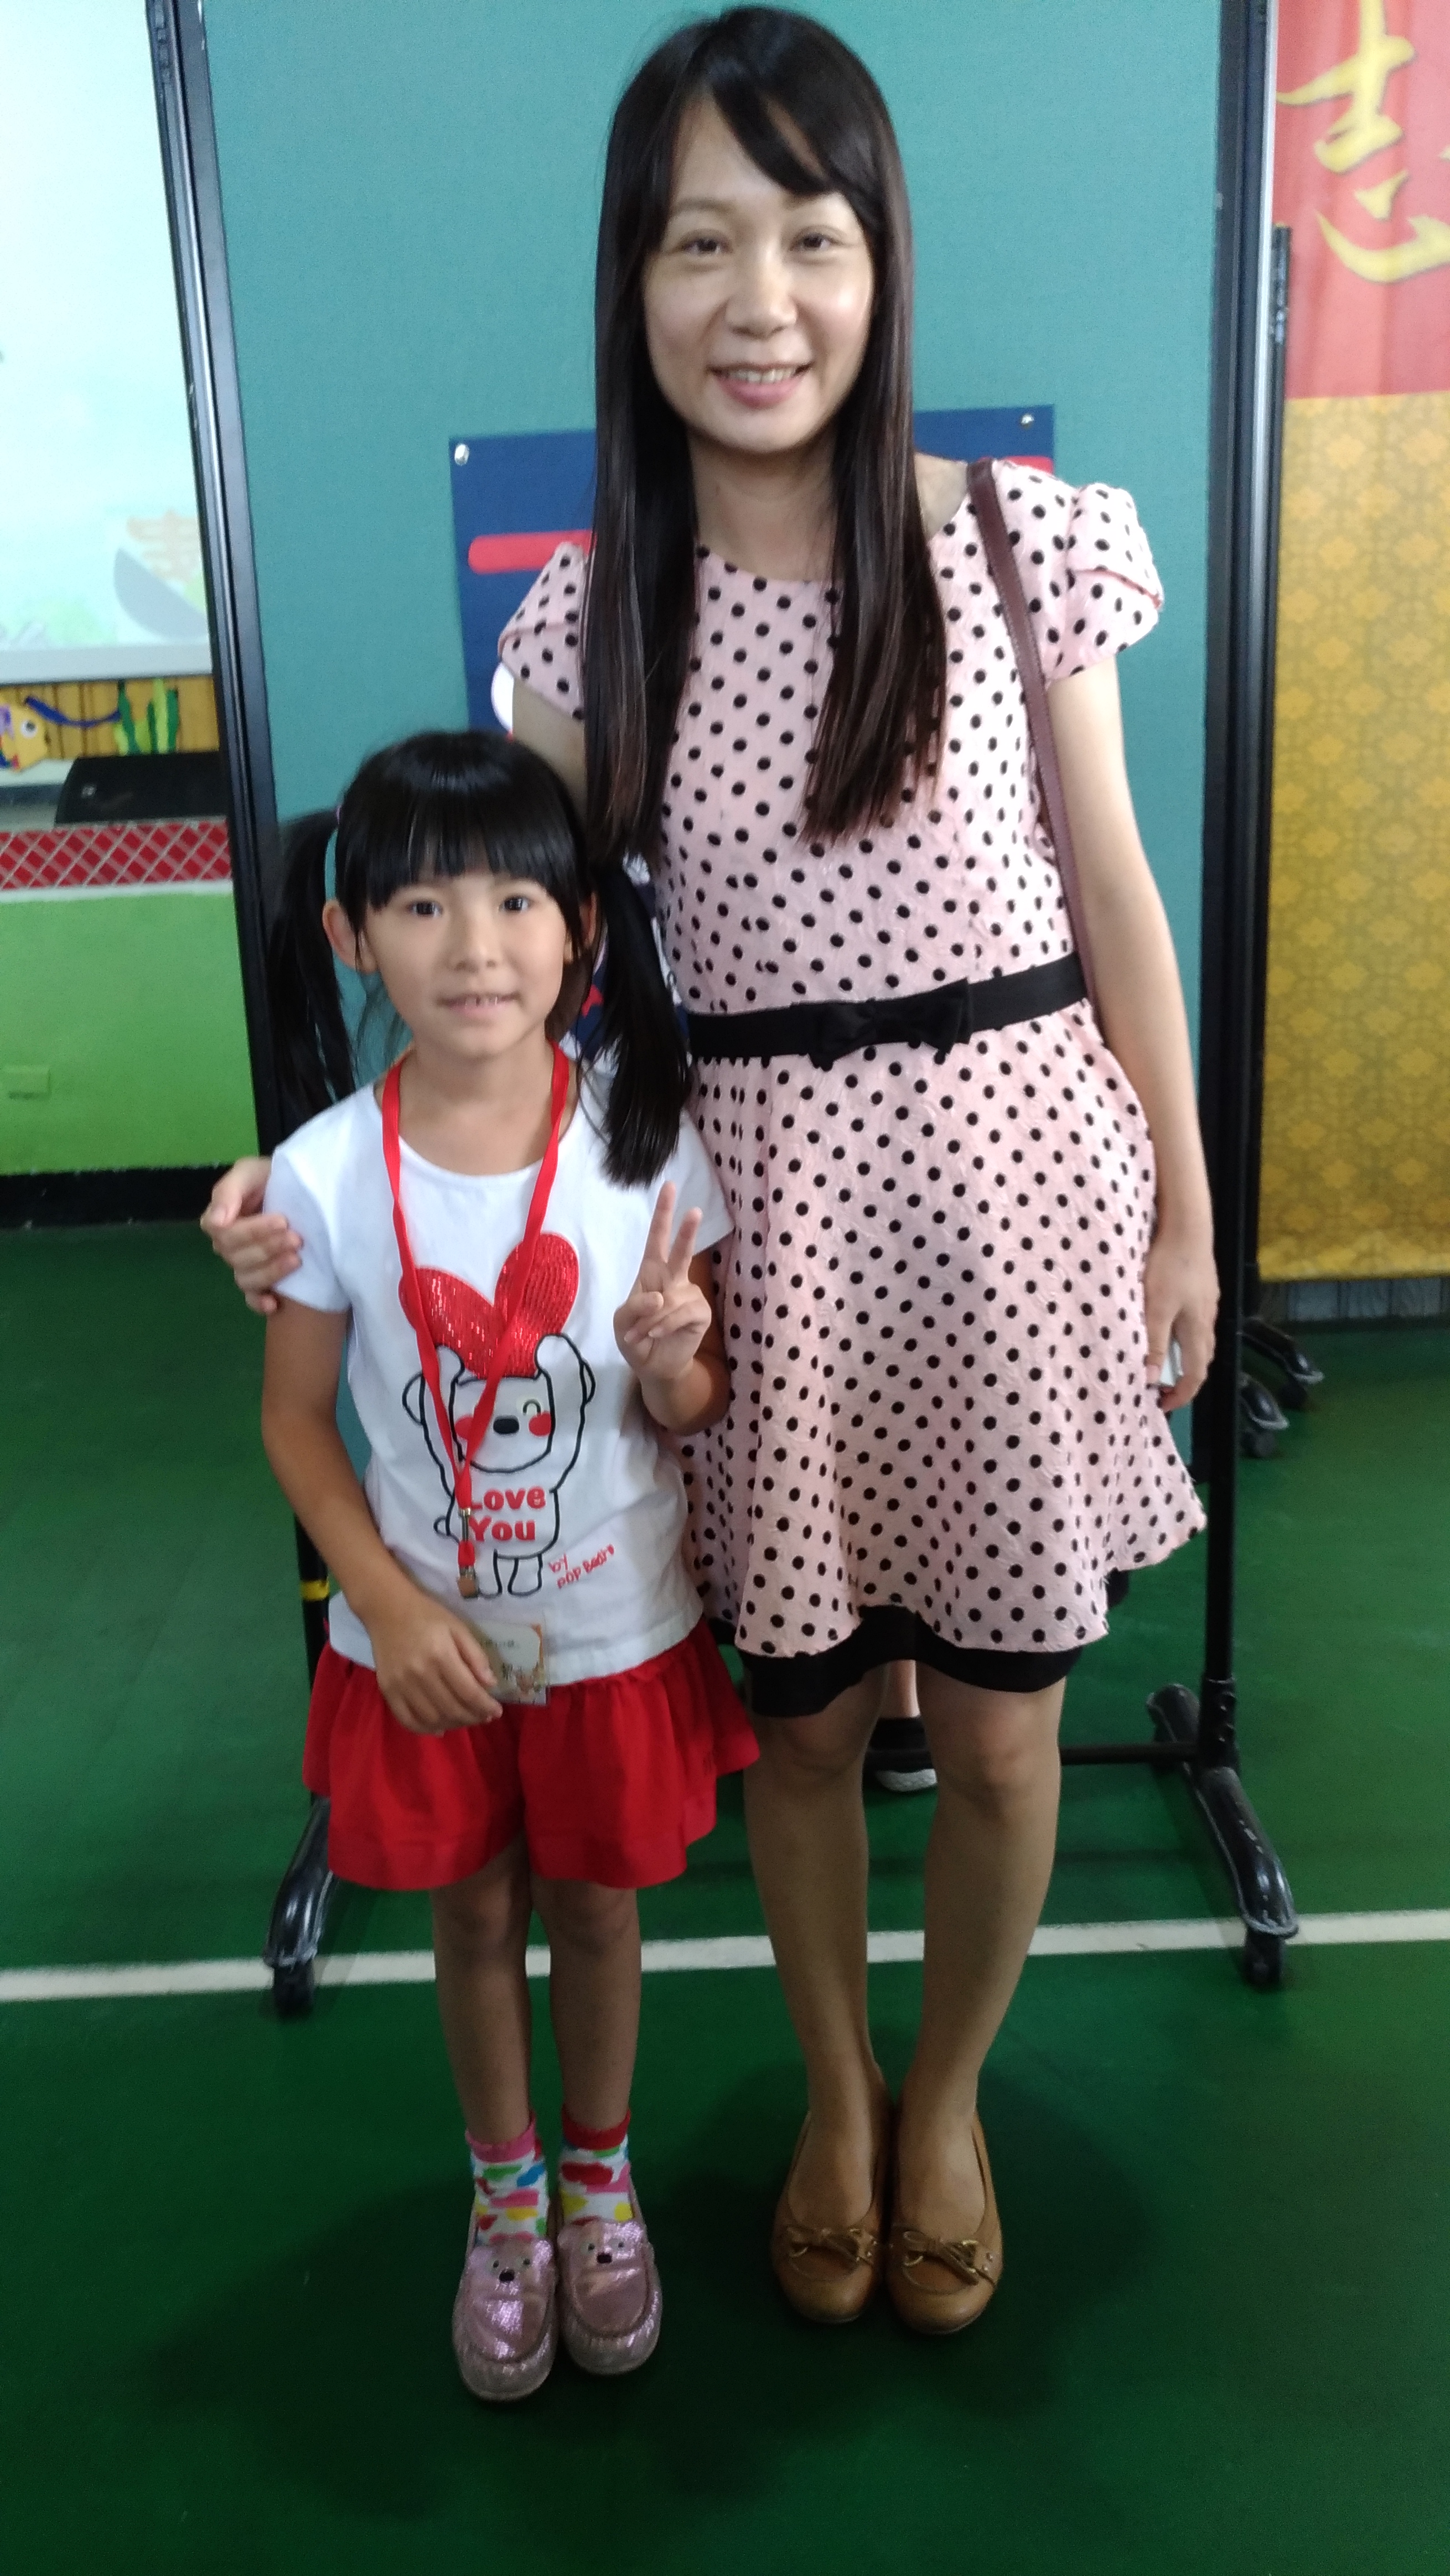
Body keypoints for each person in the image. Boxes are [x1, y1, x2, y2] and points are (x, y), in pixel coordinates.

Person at [206, 7, 1216, 2339]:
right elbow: (506, 967)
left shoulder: (1023, 542)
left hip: (1015, 1196)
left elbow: (1115, 895)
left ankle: (946, 2102)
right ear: (631, 280)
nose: (758, 301)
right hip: (746, 1232)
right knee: (800, 1724)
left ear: (881, 266)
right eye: (697, 243)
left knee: (999, 1726)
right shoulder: (592, 613)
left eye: (810, 237)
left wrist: (1182, 1204)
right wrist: (326, 1176)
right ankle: (837, 2098)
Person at [255, 726, 757, 2401]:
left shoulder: (644, 1144)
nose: (474, 947)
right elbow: (297, 1425)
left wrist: (671, 1358)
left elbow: (693, 1402)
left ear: (581, 929)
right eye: (420, 905)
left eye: (516, 902)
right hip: (427, 1652)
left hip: (611, 1635)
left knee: (598, 1915)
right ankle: (508, 2199)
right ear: (353, 936)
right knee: (472, 1918)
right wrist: (385, 1608)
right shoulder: (326, 1171)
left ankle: (601, 2182)